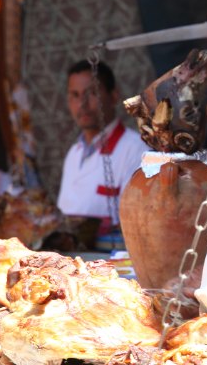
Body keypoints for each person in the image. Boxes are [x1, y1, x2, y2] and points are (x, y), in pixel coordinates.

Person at [57, 60, 148, 246]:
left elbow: (134, 224)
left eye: (91, 93)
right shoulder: (74, 153)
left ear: (114, 97)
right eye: (75, 95)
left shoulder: (137, 150)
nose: (82, 104)